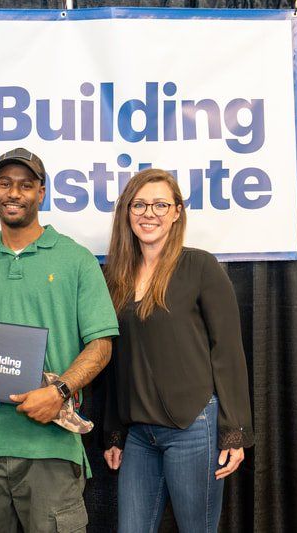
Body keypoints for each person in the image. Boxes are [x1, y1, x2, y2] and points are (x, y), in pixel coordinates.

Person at [0, 148, 119, 533]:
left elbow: (102, 345)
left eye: (25, 185)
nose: (14, 193)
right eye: (5, 184)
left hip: (51, 446)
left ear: (41, 193)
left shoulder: (76, 260)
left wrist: (60, 391)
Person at [102, 168, 254, 533]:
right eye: (139, 204)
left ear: (176, 212)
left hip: (193, 427)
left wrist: (235, 431)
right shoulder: (116, 277)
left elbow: (228, 350)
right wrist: (114, 432)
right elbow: (114, 360)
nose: (148, 213)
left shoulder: (200, 266)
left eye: (159, 204)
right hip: (139, 434)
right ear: (127, 212)